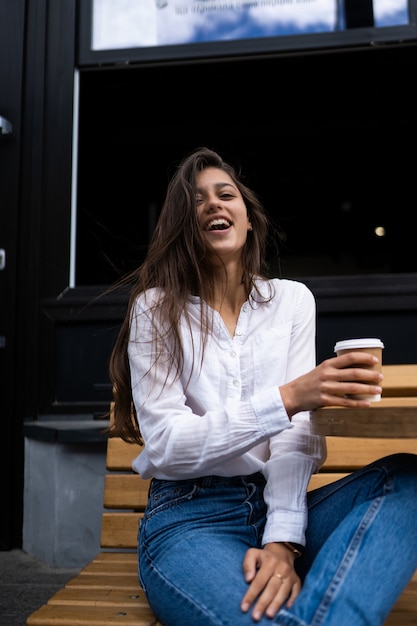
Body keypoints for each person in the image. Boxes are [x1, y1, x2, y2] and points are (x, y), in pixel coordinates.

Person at [108, 146, 417, 626]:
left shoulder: (291, 301)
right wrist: (289, 397)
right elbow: (168, 446)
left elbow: (294, 440)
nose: (213, 204)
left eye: (225, 194)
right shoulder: (155, 309)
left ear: (248, 218)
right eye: (196, 201)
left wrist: (283, 540)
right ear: (181, 228)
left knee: (408, 480)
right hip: (191, 518)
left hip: (282, 508)